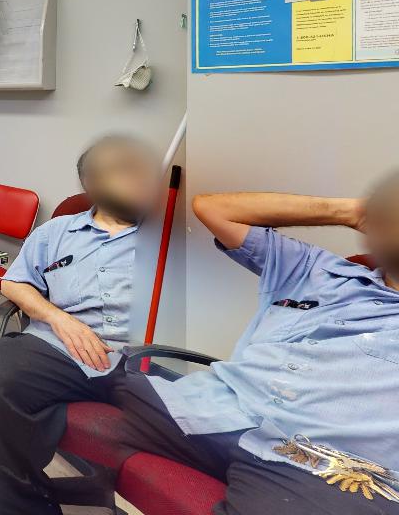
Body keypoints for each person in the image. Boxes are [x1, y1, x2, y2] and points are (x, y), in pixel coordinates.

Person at [106, 180, 399, 514]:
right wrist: (354, 211)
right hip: (212, 408)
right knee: (67, 365)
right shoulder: (317, 269)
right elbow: (213, 210)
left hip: (319, 463)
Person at [0, 135, 157, 514]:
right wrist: (59, 319)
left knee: (219, 432)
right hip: (60, 347)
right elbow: (14, 282)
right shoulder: (55, 233)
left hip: (149, 358)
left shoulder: (169, 237)